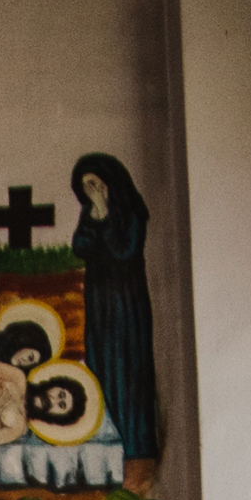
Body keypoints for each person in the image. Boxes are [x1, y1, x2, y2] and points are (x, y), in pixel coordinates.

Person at [70, 154, 163, 462]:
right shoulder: (90, 213)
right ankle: (110, 442)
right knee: (101, 364)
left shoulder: (132, 214)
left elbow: (125, 251)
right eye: (85, 187)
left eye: (95, 184)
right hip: (99, 303)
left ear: (110, 183)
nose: (91, 191)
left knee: (130, 370)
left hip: (126, 302)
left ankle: (136, 446)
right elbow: (80, 248)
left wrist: (106, 216)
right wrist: (96, 215)